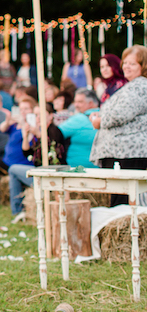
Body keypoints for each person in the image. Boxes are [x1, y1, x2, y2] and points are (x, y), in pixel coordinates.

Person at [90, 45, 147, 206]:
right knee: (123, 198)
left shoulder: (139, 86)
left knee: (124, 201)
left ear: (143, 66)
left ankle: (127, 230)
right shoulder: (131, 86)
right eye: (125, 63)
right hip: (122, 153)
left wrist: (99, 120)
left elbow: (120, 114)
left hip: (127, 153)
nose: (127, 67)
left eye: (133, 64)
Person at [8, 104, 66, 220]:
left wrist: (38, 134)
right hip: (40, 171)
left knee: (13, 169)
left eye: (40, 115)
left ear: (50, 116)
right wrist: (26, 137)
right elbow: (27, 154)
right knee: (14, 169)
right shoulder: (38, 132)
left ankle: (17, 210)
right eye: (35, 115)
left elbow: (53, 151)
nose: (38, 118)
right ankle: (18, 210)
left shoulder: (54, 131)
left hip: (53, 174)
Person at [58, 88, 99, 169]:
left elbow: (55, 133)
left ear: (90, 103)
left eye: (80, 102)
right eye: (75, 102)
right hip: (100, 168)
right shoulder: (104, 116)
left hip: (77, 169)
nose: (75, 105)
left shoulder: (79, 119)